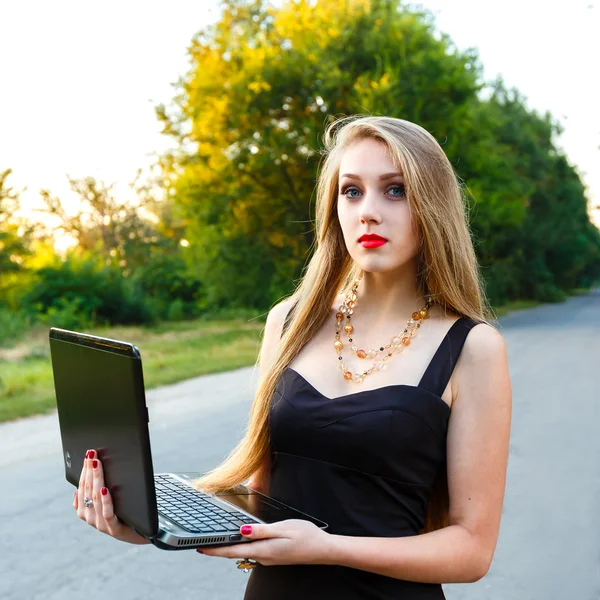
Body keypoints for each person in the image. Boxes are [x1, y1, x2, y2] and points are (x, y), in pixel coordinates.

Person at [74, 115, 512, 599]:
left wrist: (328, 547)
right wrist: (145, 522)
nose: (367, 212)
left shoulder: (472, 347)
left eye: (395, 190)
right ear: (333, 207)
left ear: (432, 205)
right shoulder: (288, 321)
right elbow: (259, 500)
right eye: (351, 191)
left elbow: (472, 550)